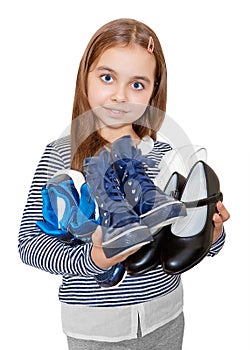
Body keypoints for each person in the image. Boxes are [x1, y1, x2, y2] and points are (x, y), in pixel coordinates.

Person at [18, 18, 230, 350]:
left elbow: (180, 240)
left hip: (165, 317)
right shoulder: (62, 154)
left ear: (153, 91)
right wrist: (93, 259)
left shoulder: (162, 154)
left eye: (137, 85)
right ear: (84, 77)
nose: (119, 96)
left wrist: (212, 234)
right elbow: (30, 244)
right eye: (107, 78)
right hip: (96, 329)